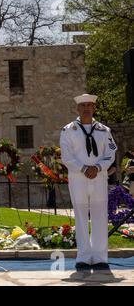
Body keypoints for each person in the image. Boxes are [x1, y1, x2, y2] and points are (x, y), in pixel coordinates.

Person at [60, 93, 117, 271]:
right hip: (78, 178)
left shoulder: (104, 130)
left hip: (99, 178)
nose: (86, 108)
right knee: (81, 215)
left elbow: (111, 153)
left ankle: (100, 257)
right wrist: (84, 168)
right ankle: (84, 257)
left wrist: (98, 167)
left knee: (100, 215)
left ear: (94, 108)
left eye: (89, 105)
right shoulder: (68, 130)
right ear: (77, 108)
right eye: (83, 105)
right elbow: (66, 156)